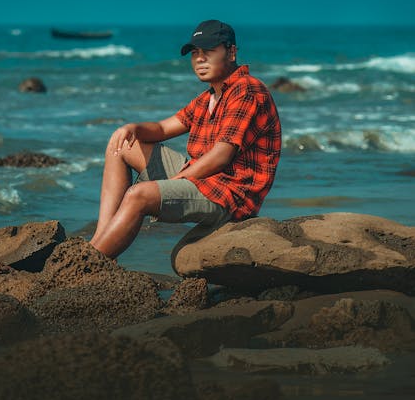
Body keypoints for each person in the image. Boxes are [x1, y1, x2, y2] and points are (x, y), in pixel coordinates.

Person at [90, 19, 281, 259]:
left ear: (231, 52)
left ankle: (92, 262)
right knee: (120, 145)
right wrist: (131, 128)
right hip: (205, 180)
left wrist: (174, 183)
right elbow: (161, 128)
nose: (200, 59)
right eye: (195, 53)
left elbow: (221, 156)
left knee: (139, 195)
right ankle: (97, 242)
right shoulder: (208, 98)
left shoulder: (247, 91)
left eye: (209, 51)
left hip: (230, 196)